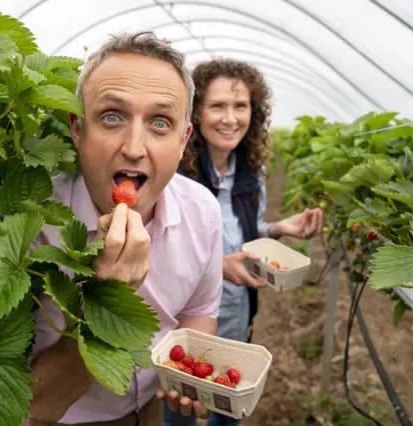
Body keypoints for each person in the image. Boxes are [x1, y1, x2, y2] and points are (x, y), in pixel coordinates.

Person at [26, 31, 225, 426]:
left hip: (151, 413)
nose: (134, 148)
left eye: (160, 122)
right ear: (78, 129)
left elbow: (198, 309)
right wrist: (105, 298)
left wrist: (189, 371)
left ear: (184, 140)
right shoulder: (33, 225)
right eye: (112, 117)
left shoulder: (203, 211)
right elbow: (33, 406)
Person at [163, 58, 323, 426]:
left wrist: (280, 228)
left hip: (235, 314)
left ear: (255, 111)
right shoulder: (174, 174)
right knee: (181, 411)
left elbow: (246, 236)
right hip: (182, 321)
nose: (230, 118)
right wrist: (218, 265)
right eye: (217, 105)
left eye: (240, 106)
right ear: (196, 112)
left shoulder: (250, 172)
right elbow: (156, 250)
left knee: (227, 409)